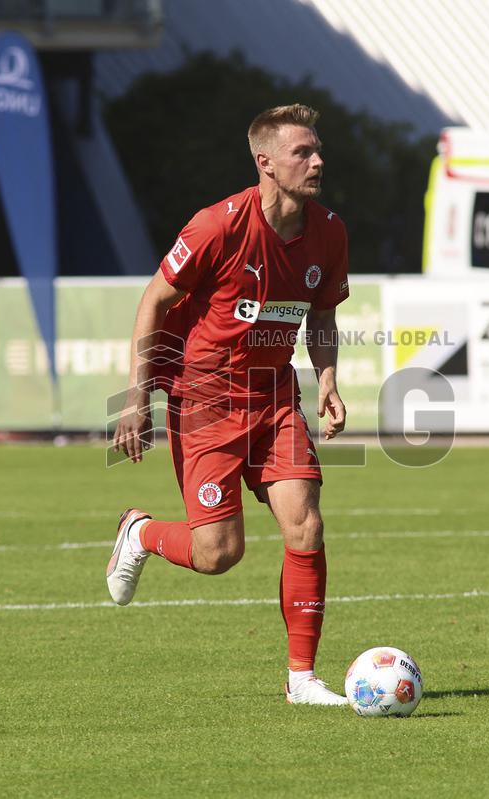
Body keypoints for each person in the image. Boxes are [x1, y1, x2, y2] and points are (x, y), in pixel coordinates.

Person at [108, 104, 351, 705]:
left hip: (274, 400)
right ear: (265, 162)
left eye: (317, 150)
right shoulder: (216, 226)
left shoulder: (329, 231)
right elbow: (154, 300)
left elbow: (322, 314)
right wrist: (136, 396)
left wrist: (327, 380)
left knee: (306, 523)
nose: (317, 161)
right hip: (205, 401)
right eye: (302, 152)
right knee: (219, 554)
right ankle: (140, 533)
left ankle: (302, 679)